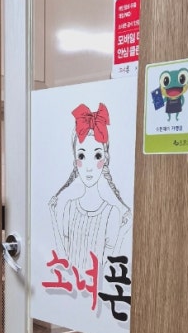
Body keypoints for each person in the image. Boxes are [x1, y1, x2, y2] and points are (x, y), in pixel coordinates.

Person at [48, 102, 131, 277]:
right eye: (82, 155)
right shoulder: (70, 207)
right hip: (68, 288)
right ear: (75, 160)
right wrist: (53, 217)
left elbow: (109, 267)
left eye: (97, 155)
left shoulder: (111, 213)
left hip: (95, 291)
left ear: (105, 159)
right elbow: (63, 259)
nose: (89, 167)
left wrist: (123, 232)